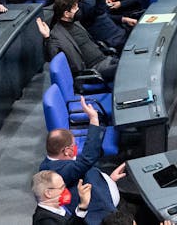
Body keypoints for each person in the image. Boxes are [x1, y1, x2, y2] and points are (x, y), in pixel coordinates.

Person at [39, 96, 118, 225]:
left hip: (104, 192)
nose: (76, 148)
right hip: (102, 217)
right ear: (66, 151)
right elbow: (87, 159)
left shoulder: (55, 163)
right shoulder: (55, 172)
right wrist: (93, 119)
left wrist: (110, 180)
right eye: (73, 145)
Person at [38, 0, 117, 83]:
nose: (78, 10)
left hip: (105, 58)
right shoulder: (56, 34)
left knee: (130, 64)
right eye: (75, 8)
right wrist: (47, 37)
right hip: (94, 70)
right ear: (66, 14)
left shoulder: (76, 22)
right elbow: (52, 56)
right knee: (125, 69)